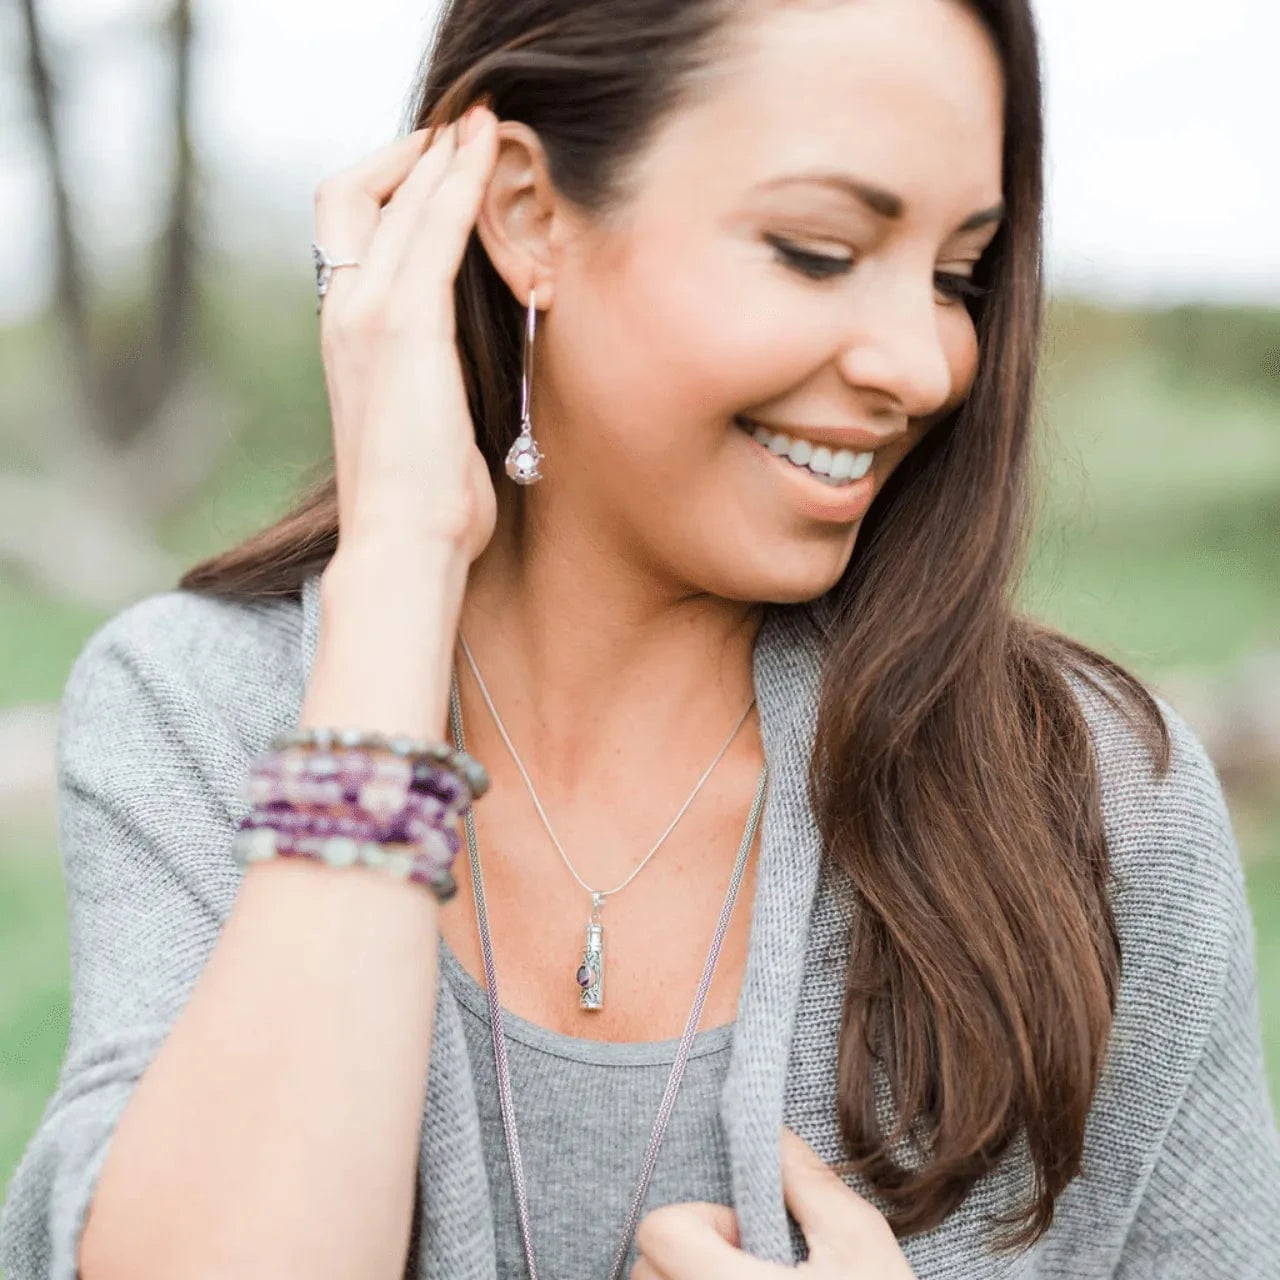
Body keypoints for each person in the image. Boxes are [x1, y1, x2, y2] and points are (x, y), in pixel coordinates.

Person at [4, 0, 1279, 1277]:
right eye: (817, 250)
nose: (924, 363)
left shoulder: (1094, 803)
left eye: (956, 276)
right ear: (525, 213)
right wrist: (396, 564)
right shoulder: (194, 712)